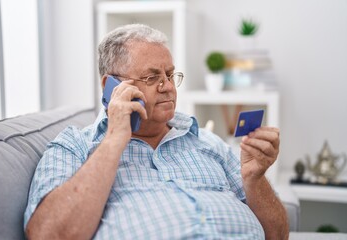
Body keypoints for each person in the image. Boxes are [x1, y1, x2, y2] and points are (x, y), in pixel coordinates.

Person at [24, 24, 288, 239]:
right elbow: (50, 234)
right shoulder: (75, 146)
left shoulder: (208, 142)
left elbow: (277, 235)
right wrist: (116, 136)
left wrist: (255, 179)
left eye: (170, 75)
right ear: (111, 85)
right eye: (152, 78)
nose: (168, 87)